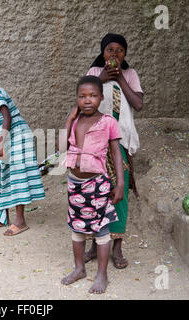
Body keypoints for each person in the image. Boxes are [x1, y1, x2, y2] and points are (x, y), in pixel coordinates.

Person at [84, 33, 143, 269]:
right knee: (95, 194)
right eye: (110, 50)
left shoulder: (130, 74)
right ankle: (93, 245)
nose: (115, 54)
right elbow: (85, 103)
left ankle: (117, 248)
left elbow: (138, 104)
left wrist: (120, 80)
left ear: (125, 54)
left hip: (121, 144)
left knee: (119, 196)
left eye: (120, 50)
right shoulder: (93, 72)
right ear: (102, 53)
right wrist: (102, 78)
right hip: (96, 144)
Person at [61, 75, 124, 294]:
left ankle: (102, 274)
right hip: (75, 183)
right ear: (76, 99)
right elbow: (62, 146)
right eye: (82, 96)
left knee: (101, 229)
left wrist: (121, 183)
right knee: (76, 227)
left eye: (93, 96)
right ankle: (79, 269)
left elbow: (116, 153)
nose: (87, 100)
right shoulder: (76, 121)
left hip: (97, 183)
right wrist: (69, 120)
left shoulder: (108, 122)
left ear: (101, 98)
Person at [0, 67, 45, 236]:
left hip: (17, 134)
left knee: (17, 175)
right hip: (7, 135)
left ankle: (20, 221)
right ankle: (2, 216)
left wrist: (1, 143)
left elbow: (7, 117)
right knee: (4, 173)